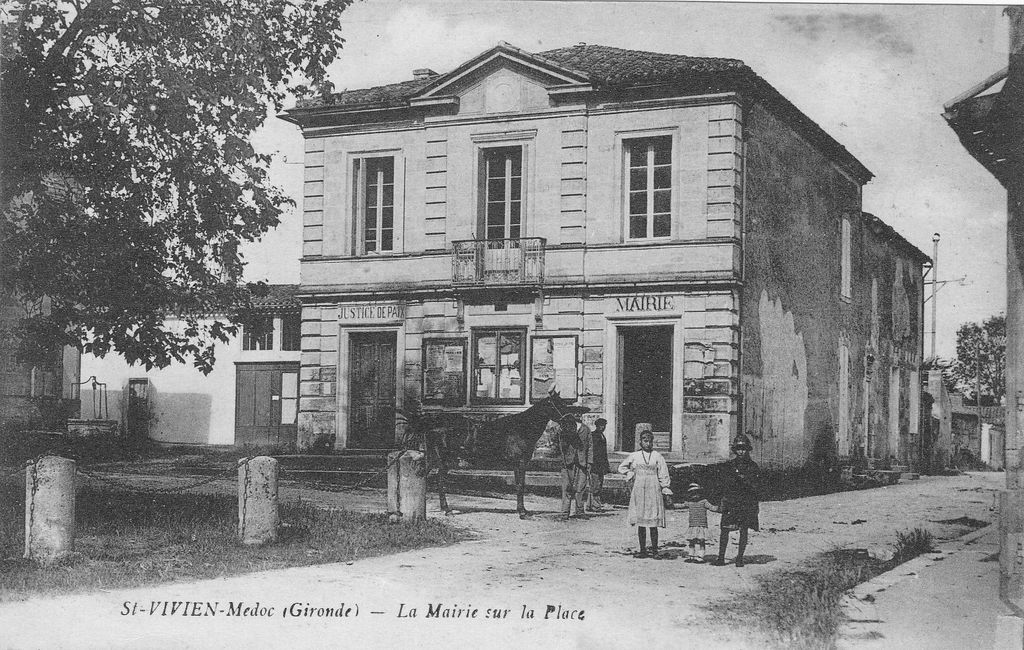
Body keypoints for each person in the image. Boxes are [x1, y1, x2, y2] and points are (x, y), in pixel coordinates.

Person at [618, 429, 672, 558]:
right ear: (640, 442)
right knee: (641, 521)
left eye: (650, 441)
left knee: (653, 522)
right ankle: (642, 550)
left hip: (653, 489)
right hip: (640, 489)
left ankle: (654, 551)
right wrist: (630, 473)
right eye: (645, 441)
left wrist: (665, 487)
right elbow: (622, 467)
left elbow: (663, 473)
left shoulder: (657, 456)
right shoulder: (635, 455)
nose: (647, 443)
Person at [713, 433, 760, 568]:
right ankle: (721, 557)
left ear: (747, 449)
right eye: (738, 449)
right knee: (724, 529)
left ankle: (740, 558)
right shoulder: (729, 466)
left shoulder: (753, 466)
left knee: (743, 530)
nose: (741, 451)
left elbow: (757, 486)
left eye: (744, 448)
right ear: (735, 450)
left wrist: (746, 481)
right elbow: (723, 483)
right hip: (731, 501)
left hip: (745, 502)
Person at [557, 413, 592, 520]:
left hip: (582, 463)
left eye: (579, 414)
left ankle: (579, 511)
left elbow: (590, 446)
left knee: (580, 487)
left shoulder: (585, 429)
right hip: (568, 463)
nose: (577, 416)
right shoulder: (564, 429)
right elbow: (559, 447)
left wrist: (590, 462)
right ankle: (564, 512)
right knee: (566, 487)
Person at [683, 483, 720, 563]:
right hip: (692, 525)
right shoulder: (689, 503)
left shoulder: (704, 502)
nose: (695, 496)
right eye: (692, 494)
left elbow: (712, 508)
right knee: (691, 541)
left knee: (701, 541)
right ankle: (691, 555)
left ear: (700, 493)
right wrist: (671, 504)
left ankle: (701, 556)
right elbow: (680, 505)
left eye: (697, 493)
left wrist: (719, 508)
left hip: (701, 526)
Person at [586, 418, 611, 512]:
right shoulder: (594, 435)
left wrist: (606, 465)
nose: (603, 427)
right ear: (597, 426)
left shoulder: (602, 436)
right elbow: (592, 451)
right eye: (601, 425)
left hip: (601, 465)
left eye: (604, 425)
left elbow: (604, 453)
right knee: (595, 486)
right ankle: (595, 506)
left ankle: (590, 505)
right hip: (595, 464)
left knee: (598, 485)